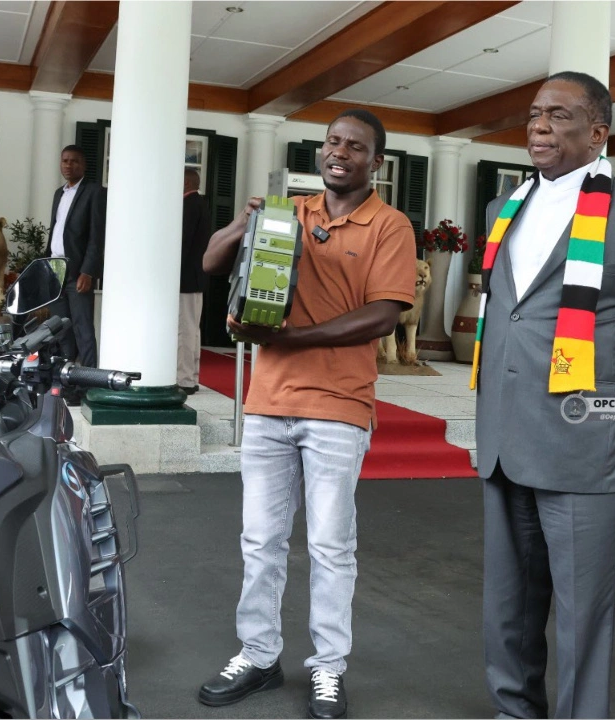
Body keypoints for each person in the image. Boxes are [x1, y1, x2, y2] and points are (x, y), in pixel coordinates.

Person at [468, 71, 615, 719]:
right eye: (534, 114)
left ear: (597, 133)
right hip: (505, 438)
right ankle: (514, 710)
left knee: (583, 614)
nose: (539, 126)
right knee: (508, 603)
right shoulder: (502, 209)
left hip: (584, 449)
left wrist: (606, 422)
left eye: (559, 116)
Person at [197, 108, 416, 720]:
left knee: (330, 546)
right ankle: (259, 655)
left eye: (355, 146)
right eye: (332, 142)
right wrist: (243, 223)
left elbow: (383, 315)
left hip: (339, 407)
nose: (339, 152)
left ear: (376, 162)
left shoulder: (390, 225)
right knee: (260, 541)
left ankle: (328, 667)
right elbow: (212, 263)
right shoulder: (287, 212)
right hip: (269, 402)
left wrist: (292, 339)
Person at [46, 144, 106, 376]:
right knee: (60, 327)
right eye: (65, 161)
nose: (68, 165)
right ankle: (66, 376)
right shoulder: (58, 193)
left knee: (82, 327)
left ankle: (89, 377)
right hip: (54, 268)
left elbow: (96, 236)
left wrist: (87, 271)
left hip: (77, 270)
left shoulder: (94, 192)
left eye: (74, 161)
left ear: (84, 165)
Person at [178, 167, 212, 395]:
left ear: (186, 183)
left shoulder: (188, 206)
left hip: (186, 278)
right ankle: (191, 375)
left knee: (184, 329)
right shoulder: (199, 204)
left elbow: (182, 243)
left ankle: (184, 379)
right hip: (194, 278)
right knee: (192, 328)